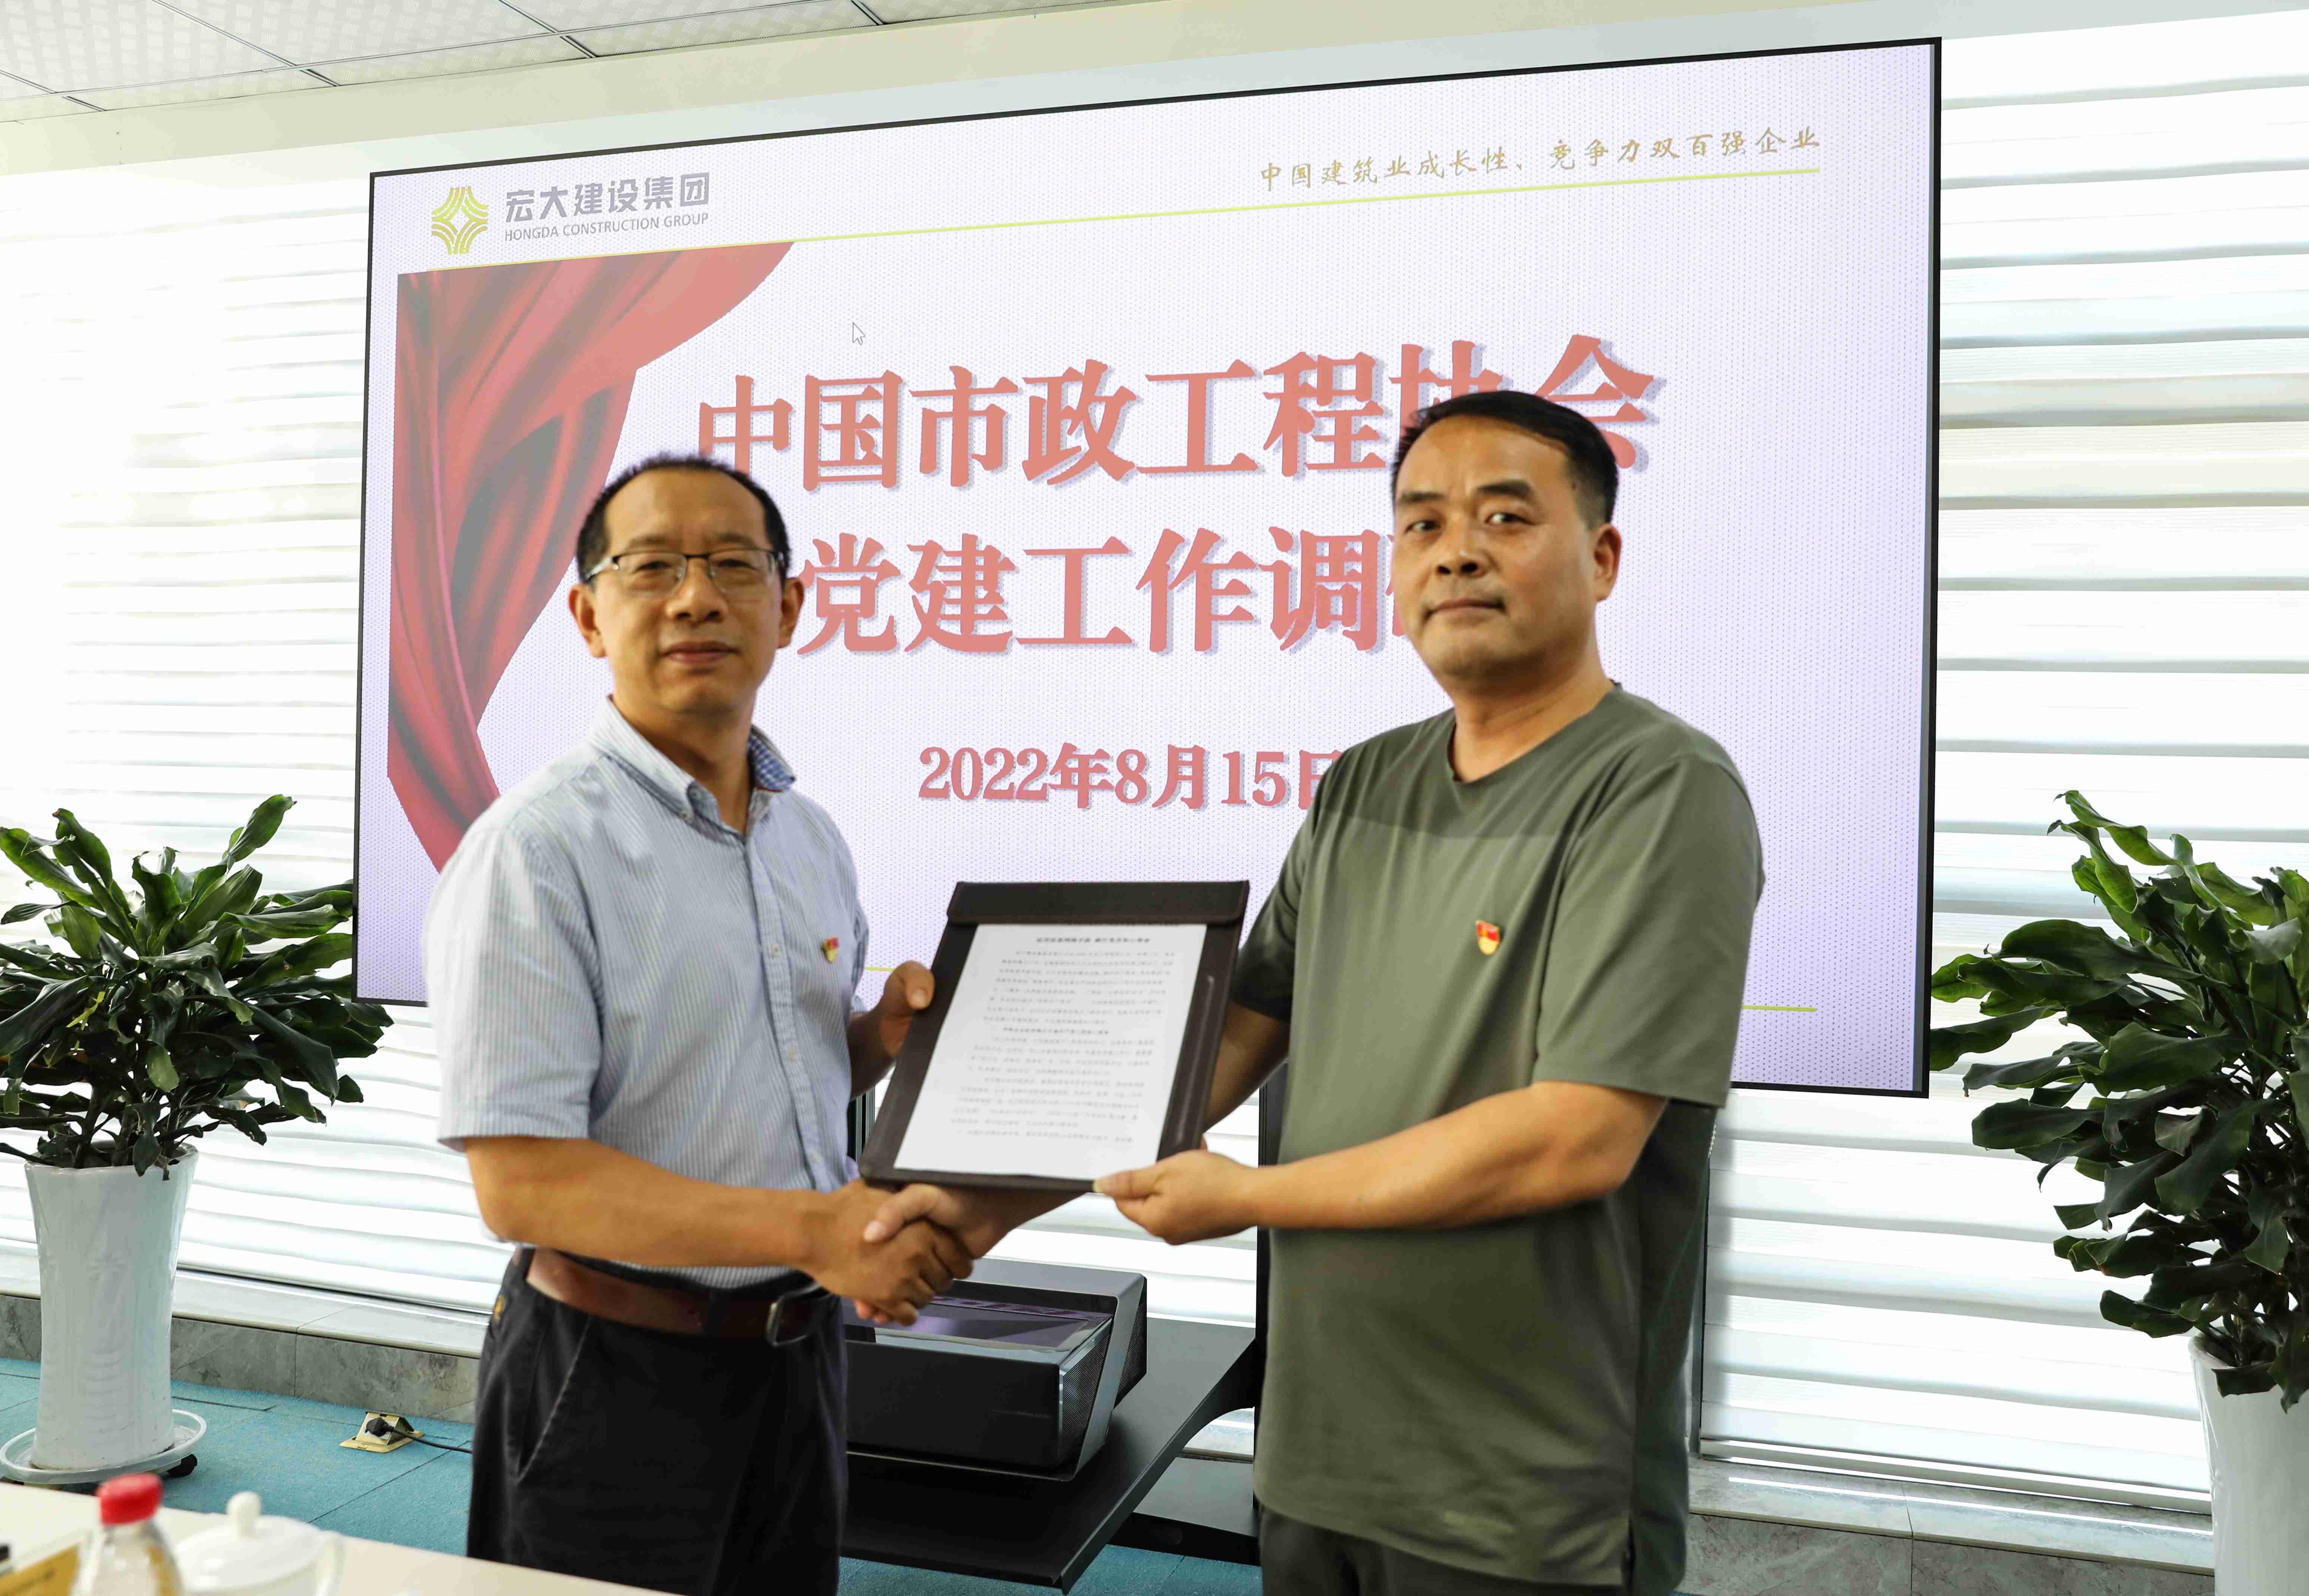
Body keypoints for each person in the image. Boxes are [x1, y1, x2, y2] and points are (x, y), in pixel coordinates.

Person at [1021, 390, 1758, 1594]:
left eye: (1504, 517)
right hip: (1316, 1457)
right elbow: (1228, 1039)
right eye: (1421, 524)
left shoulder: (1658, 788)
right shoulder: (1363, 784)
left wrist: (1249, 1196)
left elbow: (1573, 1140)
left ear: (1601, 557)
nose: (1455, 551)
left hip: (1523, 1492)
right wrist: (971, 1198)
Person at [425, 452, 986, 1596]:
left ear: (790, 606)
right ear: (590, 617)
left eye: (734, 565)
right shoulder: (537, 850)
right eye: (652, 568)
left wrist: (881, 1038)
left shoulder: (808, 838)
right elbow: (521, 1184)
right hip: (609, 1369)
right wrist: (813, 1227)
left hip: (799, 1360)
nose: (695, 598)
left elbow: (777, 1072)